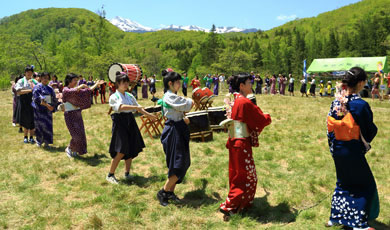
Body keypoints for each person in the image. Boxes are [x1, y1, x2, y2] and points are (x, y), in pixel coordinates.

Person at [325, 67, 379, 230]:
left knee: (343, 182)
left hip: (338, 148)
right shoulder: (360, 105)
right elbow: (369, 129)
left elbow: (329, 127)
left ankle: (336, 217)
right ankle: (358, 223)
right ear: (361, 83)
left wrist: (334, 145)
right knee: (364, 184)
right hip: (353, 149)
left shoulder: (336, 101)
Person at [219, 73, 271, 220]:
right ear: (241, 85)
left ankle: (239, 205)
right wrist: (267, 117)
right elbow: (260, 119)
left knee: (238, 173)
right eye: (249, 82)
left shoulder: (235, 100)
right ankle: (232, 205)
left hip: (236, 141)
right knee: (246, 176)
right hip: (241, 143)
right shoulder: (244, 102)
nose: (251, 85)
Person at [106, 72, 157, 184]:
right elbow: (120, 107)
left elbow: (139, 108)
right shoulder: (114, 96)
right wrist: (135, 107)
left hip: (130, 121)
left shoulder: (129, 95)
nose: (125, 84)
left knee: (130, 148)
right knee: (121, 149)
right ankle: (110, 174)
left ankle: (127, 173)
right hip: (120, 123)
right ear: (117, 84)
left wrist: (149, 115)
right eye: (123, 83)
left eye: (127, 82)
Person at [157, 69, 193, 206]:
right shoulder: (169, 96)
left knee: (180, 162)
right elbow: (188, 104)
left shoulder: (172, 95)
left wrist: (183, 118)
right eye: (178, 82)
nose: (180, 84)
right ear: (170, 83)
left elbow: (181, 109)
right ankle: (163, 192)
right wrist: (190, 99)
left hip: (178, 128)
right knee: (178, 163)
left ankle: (170, 192)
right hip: (173, 131)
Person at [62, 73, 104, 158]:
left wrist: (96, 84)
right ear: (69, 81)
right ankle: (69, 148)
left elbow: (88, 91)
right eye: (75, 80)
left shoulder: (77, 90)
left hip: (77, 114)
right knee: (75, 135)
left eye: (77, 81)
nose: (76, 82)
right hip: (69, 115)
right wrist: (81, 86)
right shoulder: (66, 90)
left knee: (80, 134)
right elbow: (71, 91)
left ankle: (75, 150)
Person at [32, 72, 58, 148]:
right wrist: (46, 105)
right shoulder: (37, 87)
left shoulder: (50, 88)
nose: (45, 80)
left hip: (48, 110)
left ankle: (47, 142)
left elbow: (54, 99)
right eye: (44, 78)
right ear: (40, 78)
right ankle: (39, 141)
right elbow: (36, 98)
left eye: (47, 78)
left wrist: (53, 106)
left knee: (48, 125)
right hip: (39, 110)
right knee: (39, 125)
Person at [15, 65, 36, 144]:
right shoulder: (21, 81)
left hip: (32, 103)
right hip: (24, 102)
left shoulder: (34, 81)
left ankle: (31, 137)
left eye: (30, 72)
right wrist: (30, 90)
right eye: (28, 72)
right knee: (25, 120)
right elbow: (18, 92)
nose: (29, 74)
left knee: (32, 121)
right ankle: (25, 137)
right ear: (25, 73)